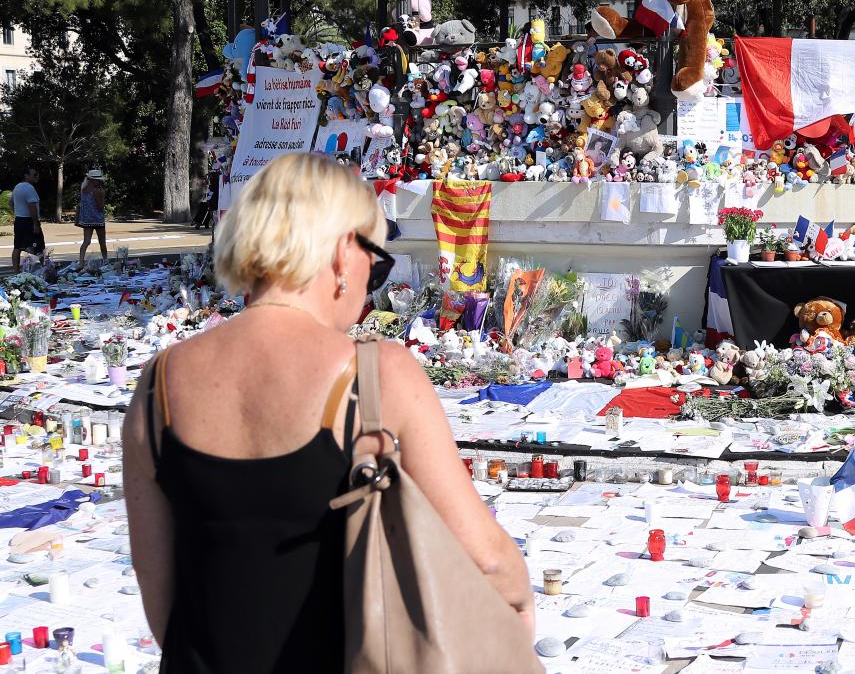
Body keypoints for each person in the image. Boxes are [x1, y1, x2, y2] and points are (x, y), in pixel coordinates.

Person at [122, 153, 535, 672]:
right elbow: (488, 558)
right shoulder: (378, 375)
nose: (369, 285)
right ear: (344, 254)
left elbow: (160, 597)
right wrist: (518, 606)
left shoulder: (158, 384)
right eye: (375, 262)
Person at [10, 167, 42, 269]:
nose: (37, 176)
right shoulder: (29, 188)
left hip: (19, 220)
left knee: (18, 247)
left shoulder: (17, 187)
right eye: (34, 174)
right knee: (38, 246)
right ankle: (45, 270)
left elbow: (10, 202)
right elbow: (32, 206)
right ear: (26, 175)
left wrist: (17, 212)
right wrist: (35, 223)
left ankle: (16, 272)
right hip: (29, 221)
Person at [76, 168, 107, 262]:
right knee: (102, 242)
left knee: (86, 241)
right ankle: (105, 260)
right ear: (94, 180)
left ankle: (81, 261)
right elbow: (100, 207)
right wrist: (102, 196)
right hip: (98, 219)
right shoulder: (97, 190)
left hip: (87, 219)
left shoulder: (84, 189)